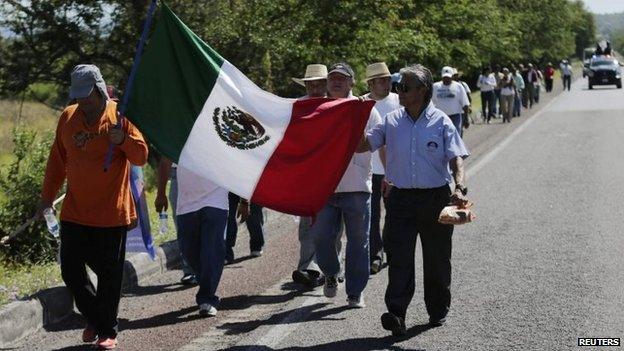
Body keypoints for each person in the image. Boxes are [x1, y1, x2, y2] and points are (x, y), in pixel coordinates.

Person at [39, 64, 148, 349]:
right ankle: (96, 318)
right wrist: (46, 198)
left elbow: (141, 157)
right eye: (78, 95)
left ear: (99, 89)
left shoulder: (118, 117)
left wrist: (122, 140)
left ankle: (107, 331)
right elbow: (56, 162)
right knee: (71, 271)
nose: (83, 101)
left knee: (109, 275)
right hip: (75, 211)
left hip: (112, 213)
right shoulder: (68, 117)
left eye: (87, 95)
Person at [358, 64, 470, 336]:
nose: (399, 91)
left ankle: (437, 309)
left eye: (405, 86)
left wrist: (459, 186)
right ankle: (396, 313)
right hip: (400, 200)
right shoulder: (391, 120)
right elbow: (364, 145)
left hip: (436, 198)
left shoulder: (441, 121)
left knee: (436, 260)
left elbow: (456, 157)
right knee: (399, 259)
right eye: (398, 86)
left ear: (422, 90)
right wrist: (354, 117)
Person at [310, 62, 381, 308]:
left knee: (358, 241)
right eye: (333, 78)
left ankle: (355, 291)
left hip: (357, 185)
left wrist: (389, 176)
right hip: (324, 188)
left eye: (343, 78)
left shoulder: (367, 110)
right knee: (320, 236)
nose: (337, 82)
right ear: (327, 83)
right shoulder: (318, 108)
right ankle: (330, 272)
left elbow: (375, 142)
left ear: (352, 83)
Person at [176, 165, 248, 317]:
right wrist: (161, 192)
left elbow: (236, 162)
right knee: (187, 250)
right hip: (186, 203)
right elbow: (165, 159)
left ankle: (207, 298)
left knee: (212, 251)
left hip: (215, 200)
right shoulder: (178, 140)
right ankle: (208, 280)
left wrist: (244, 200)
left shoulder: (219, 139)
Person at [290, 63, 332, 288]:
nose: (315, 89)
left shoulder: (336, 105)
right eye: (311, 85)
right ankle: (307, 268)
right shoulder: (298, 107)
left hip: (332, 175)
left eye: (319, 85)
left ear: (326, 85)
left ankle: (329, 268)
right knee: (307, 226)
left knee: (331, 226)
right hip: (307, 177)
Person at [363, 62, 400, 275]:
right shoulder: (361, 104)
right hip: (368, 170)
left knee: (394, 213)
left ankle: (392, 249)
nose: (386, 84)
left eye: (388, 80)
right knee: (371, 215)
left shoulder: (399, 101)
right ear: (370, 83)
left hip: (393, 169)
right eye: (381, 80)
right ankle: (375, 255)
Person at [155, 157, 197, 285]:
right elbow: (165, 159)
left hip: (203, 171)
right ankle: (190, 270)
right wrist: (161, 193)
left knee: (205, 223)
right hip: (178, 173)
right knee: (182, 225)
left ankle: (206, 267)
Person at [225, 193, 265, 263]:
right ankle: (226, 252)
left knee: (253, 213)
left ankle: (256, 245)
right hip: (230, 185)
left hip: (249, 185)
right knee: (227, 215)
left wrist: (245, 202)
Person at [432, 66, 470, 136]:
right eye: (444, 77)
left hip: (455, 116)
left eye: (448, 77)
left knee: (455, 136)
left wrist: (466, 118)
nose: (446, 79)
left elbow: (465, 104)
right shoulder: (435, 87)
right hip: (440, 117)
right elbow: (430, 103)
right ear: (441, 76)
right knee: (441, 137)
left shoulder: (458, 86)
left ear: (452, 76)